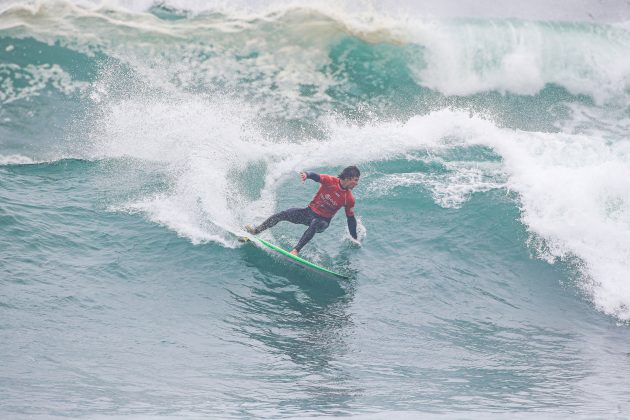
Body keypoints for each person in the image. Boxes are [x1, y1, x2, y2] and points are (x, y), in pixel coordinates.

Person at [245, 165, 360, 255]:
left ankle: (295, 251)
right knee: (283, 214)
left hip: (323, 222)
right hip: (308, 213)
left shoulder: (349, 198)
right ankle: (256, 231)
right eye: (355, 180)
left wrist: (354, 238)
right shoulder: (330, 181)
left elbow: (350, 218)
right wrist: (306, 174)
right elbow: (316, 176)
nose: (357, 183)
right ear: (348, 178)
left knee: (315, 223)